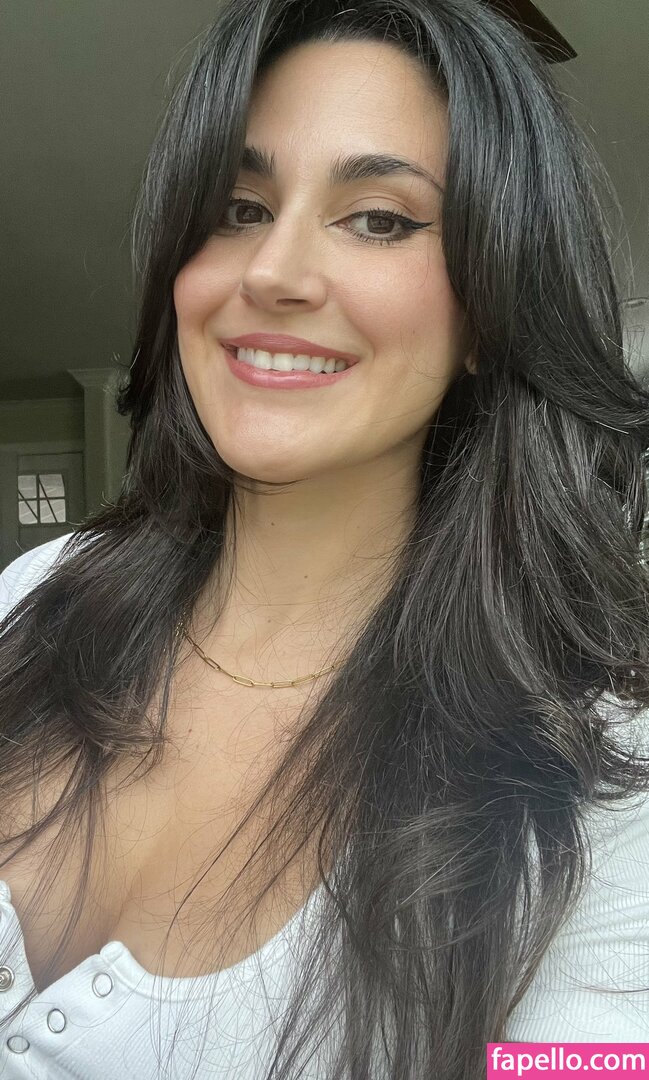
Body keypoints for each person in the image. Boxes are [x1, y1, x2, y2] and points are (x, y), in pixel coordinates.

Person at [1, 0, 649, 1076]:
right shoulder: (32, 593)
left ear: (488, 306)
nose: (272, 272)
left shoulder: (603, 800)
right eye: (239, 208)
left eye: (379, 219)